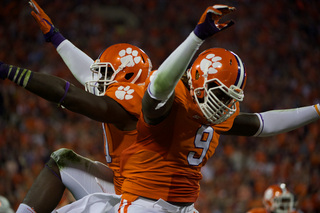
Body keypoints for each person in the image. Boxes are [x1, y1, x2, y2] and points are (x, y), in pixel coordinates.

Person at [117, 5, 320, 213]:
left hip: (185, 208)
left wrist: (317, 110)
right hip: (145, 203)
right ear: (198, 80)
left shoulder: (219, 113)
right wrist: (196, 37)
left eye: (229, 98)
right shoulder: (174, 98)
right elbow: (159, 88)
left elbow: (263, 124)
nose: (224, 104)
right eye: (220, 94)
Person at [14, 1, 152, 213]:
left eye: (107, 74)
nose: (99, 80)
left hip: (142, 200)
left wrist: (9, 72)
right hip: (126, 185)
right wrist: (55, 36)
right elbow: (88, 73)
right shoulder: (134, 91)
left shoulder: (136, 100)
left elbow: (69, 93)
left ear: (128, 76)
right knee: (62, 160)